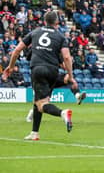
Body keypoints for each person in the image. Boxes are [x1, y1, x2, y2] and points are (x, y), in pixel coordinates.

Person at [2, 11, 78, 140]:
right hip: (53, 71)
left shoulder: (35, 32)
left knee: (42, 104)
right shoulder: (60, 37)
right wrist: (70, 76)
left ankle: (62, 113)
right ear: (57, 22)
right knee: (38, 100)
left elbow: (16, 51)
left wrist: (10, 66)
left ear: (44, 21)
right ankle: (34, 132)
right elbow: (66, 57)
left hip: (37, 69)